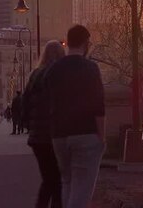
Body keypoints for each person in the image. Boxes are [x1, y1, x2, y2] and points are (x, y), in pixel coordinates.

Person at [46, 25, 105, 208]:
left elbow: (49, 104)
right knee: (82, 187)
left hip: (59, 136)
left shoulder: (53, 70)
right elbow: (98, 106)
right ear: (86, 43)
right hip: (85, 133)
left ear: (68, 42)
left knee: (67, 182)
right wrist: (102, 137)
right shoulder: (90, 68)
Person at [23, 40, 66, 208]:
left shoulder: (34, 75)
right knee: (57, 181)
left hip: (37, 138)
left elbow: (25, 104)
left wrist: (30, 127)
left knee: (49, 179)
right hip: (54, 135)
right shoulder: (59, 75)